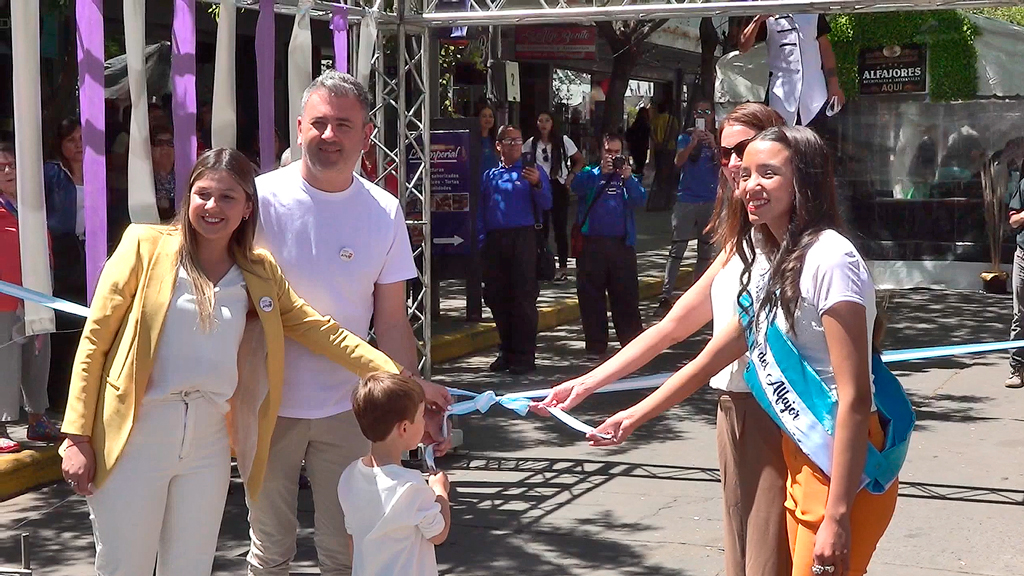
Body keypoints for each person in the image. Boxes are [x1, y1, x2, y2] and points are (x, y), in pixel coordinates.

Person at [58, 148, 409, 576]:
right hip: (136, 433)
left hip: (208, 442)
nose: (212, 207)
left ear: (247, 209)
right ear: (187, 199)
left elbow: (322, 330)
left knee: (190, 567)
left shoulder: (259, 271)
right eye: (203, 194)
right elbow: (95, 341)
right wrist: (75, 436)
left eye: (227, 197)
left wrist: (397, 375)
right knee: (125, 566)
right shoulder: (144, 246)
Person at [587, 126, 899, 576]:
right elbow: (709, 355)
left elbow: (853, 398)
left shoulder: (831, 258)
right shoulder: (774, 254)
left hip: (838, 459)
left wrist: (836, 515)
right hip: (801, 451)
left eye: (768, 174)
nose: (750, 185)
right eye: (746, 173)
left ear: (804, 182)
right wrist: (632, 416)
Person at [534, 103, 789, 576]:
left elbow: (719, 350)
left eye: (743, 152)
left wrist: (635, 414)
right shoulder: (743, 239)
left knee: (767, 561)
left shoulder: (786, 244)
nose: (732, 165)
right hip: (733, 407)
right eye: (725, 152)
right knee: (741, 556)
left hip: (772, 413)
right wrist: (587, 383)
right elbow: (672, 326)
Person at [247, 70, 453, 576]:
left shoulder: (383, 211)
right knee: (270, 551)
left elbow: (393, 322)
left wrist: (412, 404)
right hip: (266, 405)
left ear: (366, 135)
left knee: (348, 553)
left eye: (343, 124)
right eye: (318, 123)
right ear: (299, 128)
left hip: (352, 410)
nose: (329, 135)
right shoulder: (255, 200)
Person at [339, 372, 451, 576]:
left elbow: (352, 538)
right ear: (405, 428)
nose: (425, 423)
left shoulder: (349, 476)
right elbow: (438, 533)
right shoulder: (412, 486)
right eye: (421, 417)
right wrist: (440, 492)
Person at [0, 142, 61, 453]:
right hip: (4, 299)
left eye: (12, 165)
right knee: (4, 359)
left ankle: (38, 418)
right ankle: (2, 428)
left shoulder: (29, 202)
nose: (9, 171)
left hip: (36, 294)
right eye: (1, 167)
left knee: (38, 355)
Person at [478, 124, 553, 375]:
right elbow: (481, 209)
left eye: (519, 141)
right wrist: (481, 241)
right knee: (497, 297)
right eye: (509, 141)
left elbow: (547, 203)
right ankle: (506, 350)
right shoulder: (489, 175)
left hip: (524, 238)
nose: (515, 146)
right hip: (496, 240)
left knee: (523, 298)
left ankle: (524, 355)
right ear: (498, 145)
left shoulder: (533, 171)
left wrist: (538, 185)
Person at [572, 133, 646, 357]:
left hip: (620, 246)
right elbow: (577, 188)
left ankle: (632, 344)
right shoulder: (589, 174)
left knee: (626, 296)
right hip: (592, 245)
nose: (613, 156)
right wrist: (600, 174)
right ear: (601, 153)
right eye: (609, 152)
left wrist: (628, 178)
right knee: (591, 297)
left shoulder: (626, 177)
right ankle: (596, 344)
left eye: (616, 152)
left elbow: (640, 200)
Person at [658, 99, 720, 315]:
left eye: (706, 111)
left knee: (705, 250)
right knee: (677, 249)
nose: (702, 115)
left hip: (710, 200)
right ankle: (667, 295)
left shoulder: (719, 138)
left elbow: (725, 164)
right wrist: (693, 143)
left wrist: (713, 144)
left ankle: (697, 294)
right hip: (687, 200)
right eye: (698, 112)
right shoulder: (685, 137)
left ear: (713, 115)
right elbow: (678, 161)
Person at [43, 117, 86, 411]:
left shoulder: (100, 170)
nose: (79, 145)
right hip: (62, 253)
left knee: (86, 325)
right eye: (72, 139)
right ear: (60, 144)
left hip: (91, 251)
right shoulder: (52, 173)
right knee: (64, 324)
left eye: (83, 138)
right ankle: (57, 396)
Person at [739, 14, 845, 129]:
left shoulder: (812, 11)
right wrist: (758, 19)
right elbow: (743, 46)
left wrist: (833, 84)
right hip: (781, 96)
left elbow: (825, 48)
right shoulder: (768, 13)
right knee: (783, 138)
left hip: (815, 93)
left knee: (815, 139)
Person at [524, 111, 585, 281]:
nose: (543, 124)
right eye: (540, 120)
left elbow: (580, 159)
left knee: (560, 227)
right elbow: (522, 159)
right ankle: (542, 264)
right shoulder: (532, 143)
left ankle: (563, 266)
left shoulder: (563, 141)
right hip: (540, 185)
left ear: (553, 123)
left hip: (558, 184)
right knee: (541, 227)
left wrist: (571, 176)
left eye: (547, 120)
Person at [1004, 137, 1024, 388]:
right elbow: (1013, 221)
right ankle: (1017, 369)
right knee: (1020, 316)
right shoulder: (1023, 186)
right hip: (1023, 256)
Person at [649, 100, 681, 211]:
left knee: (660, 170)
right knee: (668, 170)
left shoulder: (655, 120)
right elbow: (675, 132)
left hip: (658, 149)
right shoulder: (672, 120)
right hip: (669, 148)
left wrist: (657, 142)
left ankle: (661, 189)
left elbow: (651, 133)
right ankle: (667, 192)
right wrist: (667, 141)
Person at [151, 123, 177, 222]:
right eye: (159, 143)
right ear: (151, 149)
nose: (165, 148)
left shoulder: (185, 176)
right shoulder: (144, 178)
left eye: (170, 143)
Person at [625, 106, 651, 176]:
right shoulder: (645, 124)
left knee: (637, 163)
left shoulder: (635, 123)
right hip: (642, 146)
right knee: (640, 164)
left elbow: (629, 134)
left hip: (635, 146)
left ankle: (637, 174)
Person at [478, 103, 500, 176]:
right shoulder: (471, 140)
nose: (488, 119)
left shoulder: (497, 140)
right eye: (484, 116)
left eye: (491, 116)